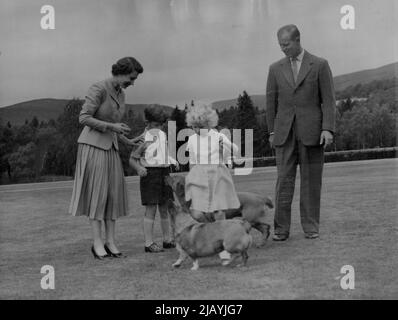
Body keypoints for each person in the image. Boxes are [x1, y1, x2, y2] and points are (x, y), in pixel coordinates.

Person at [69, 57, 144, 259]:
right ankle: (97, 243)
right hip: (93, 147)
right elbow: (84, 118)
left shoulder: (122, 93)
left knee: (112, 195)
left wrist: (129, 141)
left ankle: (110, 241)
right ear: (120, 72)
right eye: (131, 78)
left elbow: (114, 125)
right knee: (98, 195)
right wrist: (112, 127)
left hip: (111, 148)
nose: (132, 82)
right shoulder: (99, 88)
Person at [265, 25, 336, 241]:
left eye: (286, 44)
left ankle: (311, 227)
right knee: (283, 181)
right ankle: (281, 229)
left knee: (311, 182)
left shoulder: (320, 65)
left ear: (297, 40)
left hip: (313, 133)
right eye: (280, 45)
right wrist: (271, 132)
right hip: (284, 134)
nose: (283, 49)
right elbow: (270, 104)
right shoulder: (275, 68)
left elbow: (329, 100)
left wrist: (327, 129)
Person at [185, 103, 240, 264]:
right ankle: (214, 231)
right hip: (199, 176)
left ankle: (223, 250)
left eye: (199, 126)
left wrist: (226, 145)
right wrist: (191, 178)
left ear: (208, 124)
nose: (196, 129)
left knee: (218, 212)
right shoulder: (192, 139)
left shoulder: (218, 136)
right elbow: (192, 162)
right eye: (193, 126)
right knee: (197, 213)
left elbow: (235, 150)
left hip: (217, 175)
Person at [129, 105, 179, 253]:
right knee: (151, 209)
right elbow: (132, 159)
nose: (159, 128)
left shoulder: (162, 136)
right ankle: (148, 243)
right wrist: (139, 168)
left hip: (164, 173)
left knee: (165, 207)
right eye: (156, 125)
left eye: (161, 125)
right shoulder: (142, 139)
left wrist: (172, 161)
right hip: (150, 176)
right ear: (148, 123)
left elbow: (162, 154)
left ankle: (167, 240)